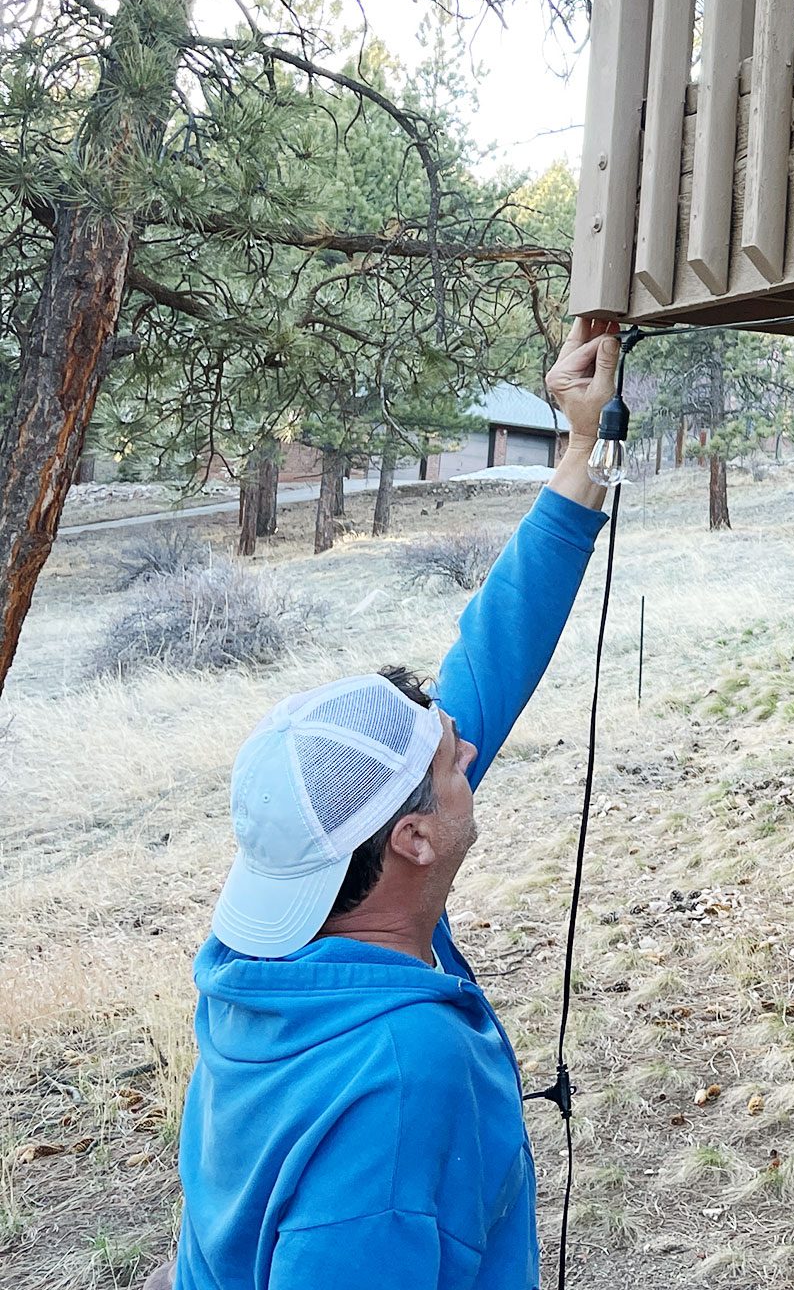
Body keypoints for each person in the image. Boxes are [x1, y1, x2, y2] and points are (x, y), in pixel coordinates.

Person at [165, 317, 620, 1290]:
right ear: (412, 834)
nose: (466, 744)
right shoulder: (395, 1073)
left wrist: (582, 450)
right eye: (450, 757)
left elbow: (487, 665)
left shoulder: (278, 963)